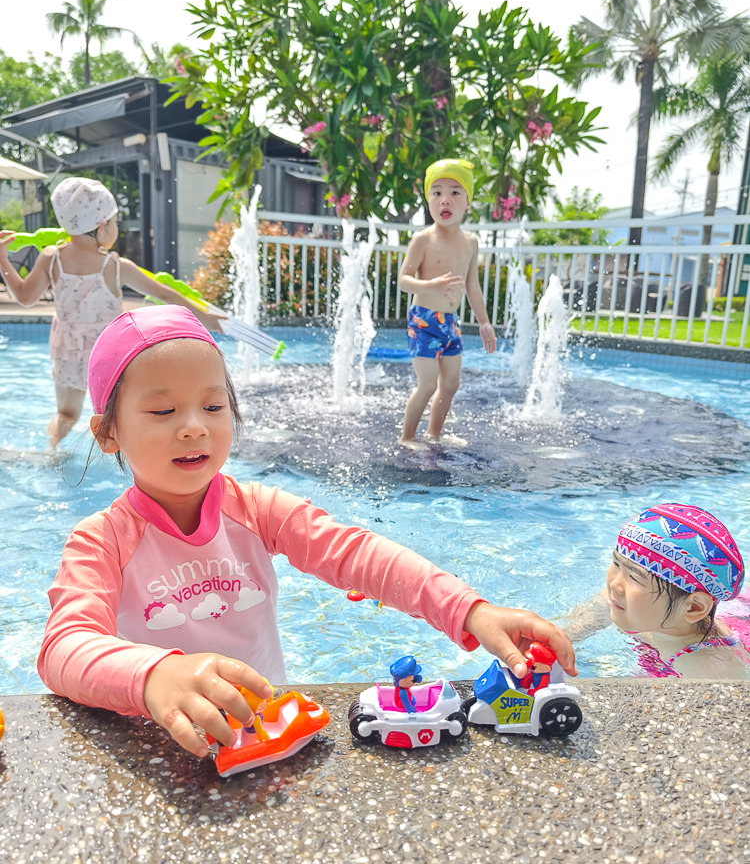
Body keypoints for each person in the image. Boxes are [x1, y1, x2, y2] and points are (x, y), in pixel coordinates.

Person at [37, 305, 577, 758]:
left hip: (268, 734)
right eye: (162, 409)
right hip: (166, 746)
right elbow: (63, 648)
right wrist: (155, 676)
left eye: (213, 405)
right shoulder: (102, 540)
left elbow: (358, 555)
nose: (194, 425)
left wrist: (470, 612)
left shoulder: (256, 510)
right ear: (108, 433)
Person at [0, 177, 221, 447]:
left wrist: (2, 261)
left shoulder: (51, 258)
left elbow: (24, 296)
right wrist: (207, 319)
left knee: (66, 414)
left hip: (67, 349)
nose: (116, 228)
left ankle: (53, 453)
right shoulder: (116, 267)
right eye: (115, 222)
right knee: (115, 414)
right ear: (102, 227)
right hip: (108, 356)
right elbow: (164, 294)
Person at [558, 503, 749, 678]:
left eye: (633, 577)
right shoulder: (639, 609)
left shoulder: (706, 667)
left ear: (694, 608)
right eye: (617, 563)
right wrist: (564, 637)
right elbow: (599, 605)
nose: (615, 585)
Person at [397, 158, 496, 447]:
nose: (445, 200)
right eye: (436, 192)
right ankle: (407, 437)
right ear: (428, 201)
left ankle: (434, 434)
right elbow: (403, 280)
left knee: (451, 384)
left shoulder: (470, 243)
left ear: (468, 202)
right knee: (427, 384)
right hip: (424, 319)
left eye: (455, 192)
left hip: (450, 322)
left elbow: (472, 285)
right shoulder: (423, 240)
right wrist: (430, 285)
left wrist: (484, 322)